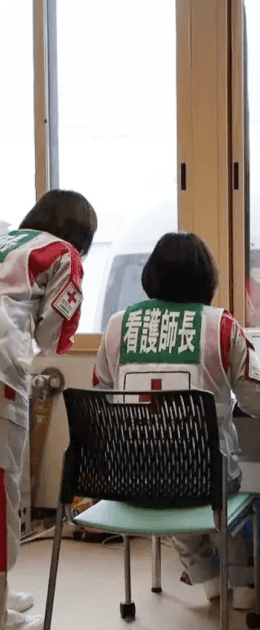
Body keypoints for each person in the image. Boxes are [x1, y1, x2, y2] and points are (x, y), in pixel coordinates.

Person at [94, 232, 260, 610]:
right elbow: (258, 404)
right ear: (207, 280)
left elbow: (100, 397)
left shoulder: (116, 326)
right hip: (204, 477)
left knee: (169, 485)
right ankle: (244, 587)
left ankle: (207, 579)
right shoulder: (222, 327)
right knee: (219, 492)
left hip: (130, 477)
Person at [0, 190, 97, 630]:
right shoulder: (63, 254)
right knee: (2, 493)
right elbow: (52, 336)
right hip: (0, 376)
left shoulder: (6, 241)